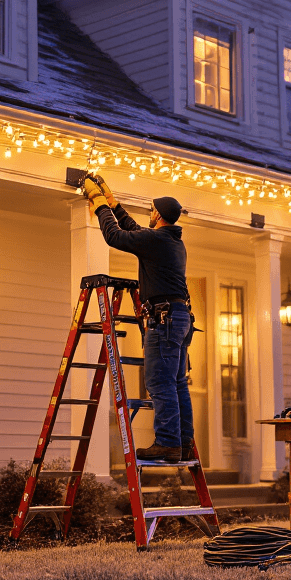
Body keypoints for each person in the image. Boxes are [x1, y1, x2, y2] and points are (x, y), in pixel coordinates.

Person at [80, 175, 195, 463]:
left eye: (151, 211)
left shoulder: (157, 240)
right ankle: (183, 441)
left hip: (165, 318)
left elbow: (115, 236)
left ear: (157, 214)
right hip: (179, 317)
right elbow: (134, 230)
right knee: (177, 382)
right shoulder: (170, 240)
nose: (149, 215)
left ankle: (168, 442)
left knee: (159, 382)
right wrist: (113, 204)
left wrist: (97, 203)